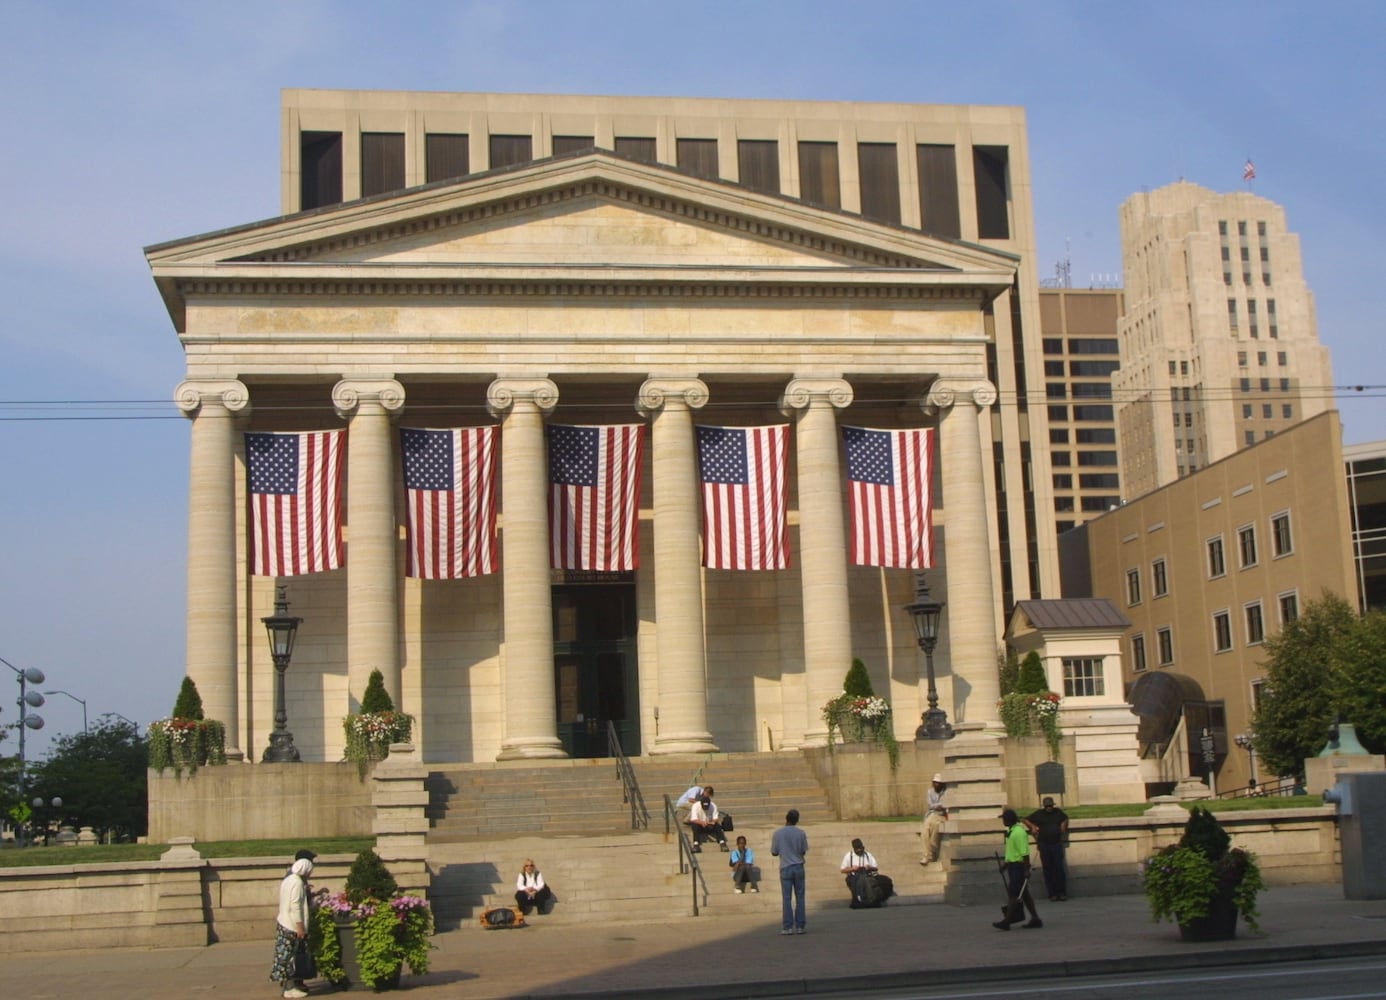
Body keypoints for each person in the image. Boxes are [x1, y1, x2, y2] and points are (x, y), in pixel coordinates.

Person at [270, 850, 315, 999]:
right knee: (291, 958)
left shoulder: (288, 879)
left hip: (284, 923)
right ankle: (289, 989)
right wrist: (300, 927)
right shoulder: (296, 882)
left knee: (286, 957)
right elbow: (295, 906)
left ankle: (289, 986)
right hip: (291, 925)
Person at [993, 808, 1041, 931]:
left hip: (1019, 867)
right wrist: (1006, 864)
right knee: (1024, 894)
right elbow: (1012, 851)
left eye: (1004, 818)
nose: (1003, 820)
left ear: (1009, 819)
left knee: (1013, 894)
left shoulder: (1019, 832)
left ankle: (1007, 921)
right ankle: (1035, 918)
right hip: (1013, 865)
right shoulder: (1011, 831)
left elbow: (1024, 852)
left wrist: (1026, 869)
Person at [770, 808, 809, 935]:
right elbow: (803, 850)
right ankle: (800, 926)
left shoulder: (778, 833)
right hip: (798, 866)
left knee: (786, 898)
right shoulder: (801, 833)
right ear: (797, 820)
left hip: (785, 866)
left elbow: (774, 852)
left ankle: (787, 926)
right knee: (800, 897)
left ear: (786, 818)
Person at [1025, 796, 1070, 901]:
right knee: (1048, 870)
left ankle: (1062, 892)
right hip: (1044, 845)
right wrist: (1032, 827)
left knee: (1059, 869)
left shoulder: (1058, 812)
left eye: (1050, 806)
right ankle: (1052, 894)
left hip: (1056, 844)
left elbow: (1065, 818)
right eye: (1047, 806)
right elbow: (1026, 820)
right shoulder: (1039, 814)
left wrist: (1064, 824)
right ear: (1044, 806)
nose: (1049, 808)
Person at [840, 837, 894, 907]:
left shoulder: (868, 855)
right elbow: (842, 870)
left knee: (883, 880)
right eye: (857, 849)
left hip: (868, 876)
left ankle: (873, 899)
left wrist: (869, 867)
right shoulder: (849, 856)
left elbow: (875, 868)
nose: (859, 850)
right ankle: (861, 900)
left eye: (861, 848)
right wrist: (852, 869)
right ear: (854, 849)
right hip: (854, 877)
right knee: (859, 882)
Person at [920, 773, 948, 865]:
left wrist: (939, 806)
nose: (937, 784)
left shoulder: (946, 792)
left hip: (942, 815)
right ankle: (926, 855)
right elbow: (930, 805)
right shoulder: (930, 792)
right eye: (935, 782)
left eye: (939, 783)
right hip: (931, 814)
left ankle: (932, 851)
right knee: (925, 830)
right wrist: (939, 805)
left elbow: (945, 805)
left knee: (936, 827)